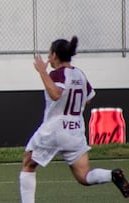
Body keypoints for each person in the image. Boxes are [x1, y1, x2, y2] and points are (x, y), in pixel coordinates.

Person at [19, 36, 129, 203]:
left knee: (28, 165)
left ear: (55, 55)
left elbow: (56, 94)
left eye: (50, 54)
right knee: (84, 176)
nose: (48, 58)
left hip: (55, 128)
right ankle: (112, 175)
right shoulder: (79, 74)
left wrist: (42, 71)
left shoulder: (57, 74)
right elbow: (88, 98)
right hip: (75, 130)